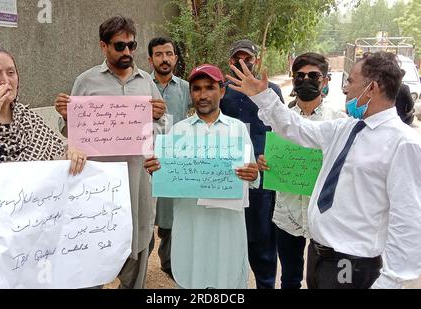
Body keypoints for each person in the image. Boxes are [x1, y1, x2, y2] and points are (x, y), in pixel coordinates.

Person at [227, 51, 421, 289]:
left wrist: (390, 281)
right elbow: (295, 128)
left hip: (351, 263)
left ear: (371, 88)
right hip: (321, 256)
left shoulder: (403, 144)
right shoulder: (346, 128)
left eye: (350, 81)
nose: (345, 89)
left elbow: (408, 221)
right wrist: (263, 96)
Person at [54, 16, 167, 289]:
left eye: (132, 45)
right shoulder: (86, 81)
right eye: (119, 46)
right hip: (97, 190)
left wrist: (158, 119)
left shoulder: (146, 83)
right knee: (93, 254)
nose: (127, 52)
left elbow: (162, 132)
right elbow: (69, 132)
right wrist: (66, 115)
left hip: (138, 185)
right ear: (103, 46)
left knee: (137, 252)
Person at [0, 46, 85, 289]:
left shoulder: (30, 120)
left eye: (11, 72)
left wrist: (70, 152)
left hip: (31, 246)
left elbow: (57, 158)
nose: (5, 81)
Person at [144, 64, 259, 289]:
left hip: (227, 227)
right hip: (190, 225)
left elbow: (252, 178)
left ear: (222, 91)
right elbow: (164, 180)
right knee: (190, 278)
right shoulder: (178, 132)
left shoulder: (237, 130)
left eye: (209, 88)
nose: (203, 95)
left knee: (227, 279)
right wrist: (155, 171)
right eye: (196, 89)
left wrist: (252, 174)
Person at [257, 53, 346, 289]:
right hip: (288, 212)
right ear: (293, 80)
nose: (306, 80)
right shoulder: (279, 119)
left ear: (325, 81)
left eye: (313, 75)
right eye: (300, 75)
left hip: (324, 214)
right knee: (290, 277)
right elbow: (271, 155)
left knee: (322, 278)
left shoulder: (338, 121)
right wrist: (265, 161)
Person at [220, 39, 284, 289]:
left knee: (262, 240)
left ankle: (265, 283)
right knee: (231, 238)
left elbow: (281, 130)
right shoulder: (222, 90)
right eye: (238, 58)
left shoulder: (272, 91)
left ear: (257, 61)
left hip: (261, 179)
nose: (243, 63)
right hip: (229, 178)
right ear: (230, 62)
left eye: (248, 58)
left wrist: (270, 158)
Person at [147, 37, 191, 279]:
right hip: (146, 161)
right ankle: (140, 264)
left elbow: (207, 108)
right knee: (145, 217)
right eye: (159, 54)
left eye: (169, 54)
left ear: (175, 57)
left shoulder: (186, 87)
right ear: (150, 59)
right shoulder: (142, 85)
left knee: (171, 218)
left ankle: (169, 263)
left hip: (175, 162)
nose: (165, 59)